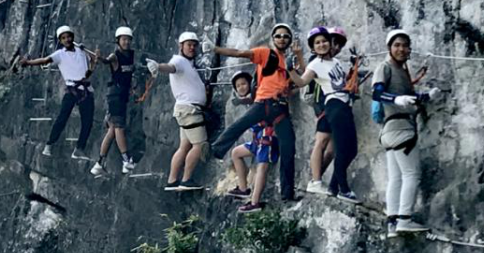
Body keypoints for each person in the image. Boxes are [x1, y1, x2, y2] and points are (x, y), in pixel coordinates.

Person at [210, 23, 304, 201]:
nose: (282, 39)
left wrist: (299, 56)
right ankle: (215, 150)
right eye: (278, 36)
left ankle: (287, 193)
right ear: (273, 38)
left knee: (288, 148)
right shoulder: (266, 53)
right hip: (263, 103)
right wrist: (215, 49)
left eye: (285, 36)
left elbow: (302, 80)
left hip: (280, 107)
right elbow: (239, 53)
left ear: (290, 40)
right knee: (239, 125)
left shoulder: (290, 62)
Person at [372, 29, 442, 237]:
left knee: (395, 177)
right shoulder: (384, 67)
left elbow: (410, 99)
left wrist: (427, 96)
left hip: (391, 131)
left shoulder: (402, 72)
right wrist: (394, 100)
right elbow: (376, 91)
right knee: (411, 174)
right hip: (400, 128)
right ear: (389, 48)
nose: (401, 49)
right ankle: (405, 219)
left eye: (405, 45)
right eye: (397, 45)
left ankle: (392, 222)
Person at [289, 27, 361, 202]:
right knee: (343, 148)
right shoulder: (315, 64)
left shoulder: (335, 62)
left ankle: (335, 187)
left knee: (350, 149)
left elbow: (342, 82)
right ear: (313, 48)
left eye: (324, 41)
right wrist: (290, 70)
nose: (322, 45)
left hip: (344, 105)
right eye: (317, 43)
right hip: (334, 105)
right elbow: (302, 81)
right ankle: (342, 189)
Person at [19, 25, 97, 160]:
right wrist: (28, 63)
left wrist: (87, 52)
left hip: (85, 89)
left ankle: (79, 149)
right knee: (62, 118)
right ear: (60, 41)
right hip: (72, 89)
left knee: (88, 121)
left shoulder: (81, 51)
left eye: (69, 37)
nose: (67, 40)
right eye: (63, 38)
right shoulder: (59, 54)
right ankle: (49, 144)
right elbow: (44, 60)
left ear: (73, 37)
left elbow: (92, 64)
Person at [147, 32, 209, 191]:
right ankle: (186, 180)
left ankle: (172, 180)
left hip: (185, 109)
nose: (192, 48)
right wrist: (158, 67)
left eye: (194, 45)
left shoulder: (187, 63)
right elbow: (171, 68)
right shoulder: (179, 61)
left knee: (184, 146)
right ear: (181, 46)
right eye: (189, 44)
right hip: (190, 110)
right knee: (200, 145)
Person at [91, 26, 137, 176]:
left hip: (122, 95)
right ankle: (126, 160)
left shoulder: (131, 55)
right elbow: (106, 61)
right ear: (118, 41)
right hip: (115, 96)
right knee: (119, 128)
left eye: (128, 39)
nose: (127, 42)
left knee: (112, 131)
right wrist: (99, 58)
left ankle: (99, 163)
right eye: (124, 39)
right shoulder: (115, 56)